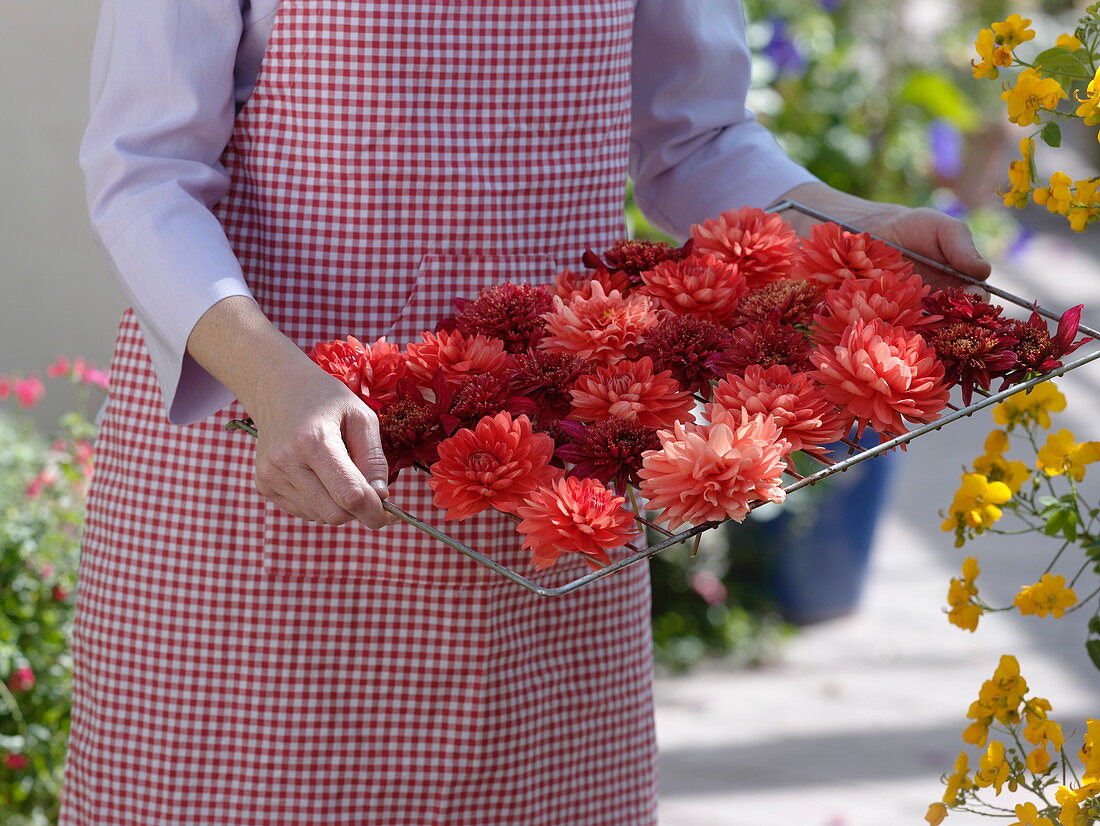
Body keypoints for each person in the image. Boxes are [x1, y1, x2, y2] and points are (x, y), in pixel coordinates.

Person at [64, 1, 991, 824]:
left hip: (537, 505)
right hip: (261, 484)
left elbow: (695, 141)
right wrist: (273, 381)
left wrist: (842, 230)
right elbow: (145, 168)